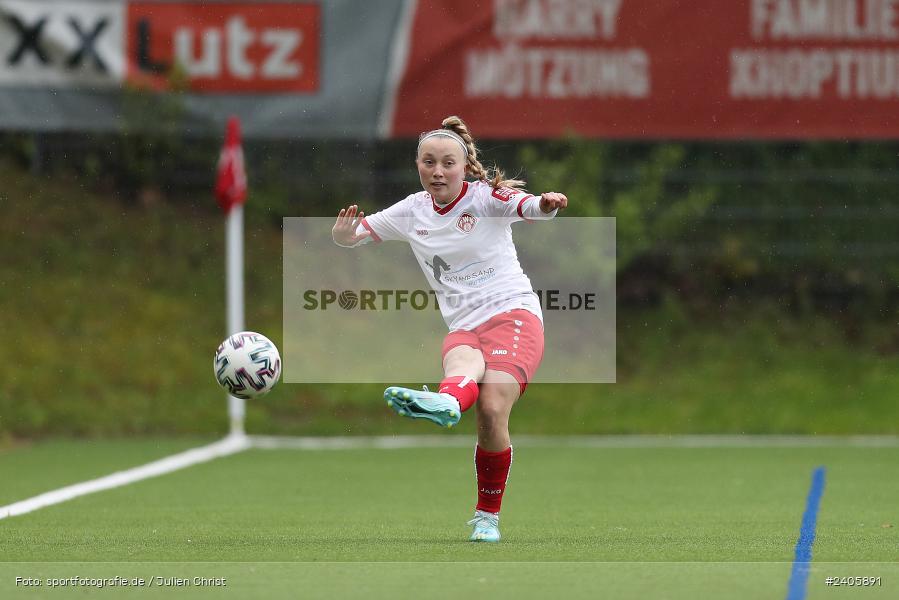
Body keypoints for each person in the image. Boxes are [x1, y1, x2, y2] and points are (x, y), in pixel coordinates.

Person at [331, 115, 567, 543]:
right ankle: (446, 402)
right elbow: (359, 234)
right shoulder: (411, 210)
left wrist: (546, 204)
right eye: (427, 162)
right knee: (462, 360)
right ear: (417, 164)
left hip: (514, 315)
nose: (437, 172)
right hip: (464, 324)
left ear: (464, 166)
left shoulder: (485, 198)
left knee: (492, 408)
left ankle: (487, 517)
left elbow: (527, 207)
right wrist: (344, 236)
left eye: (446, 163)